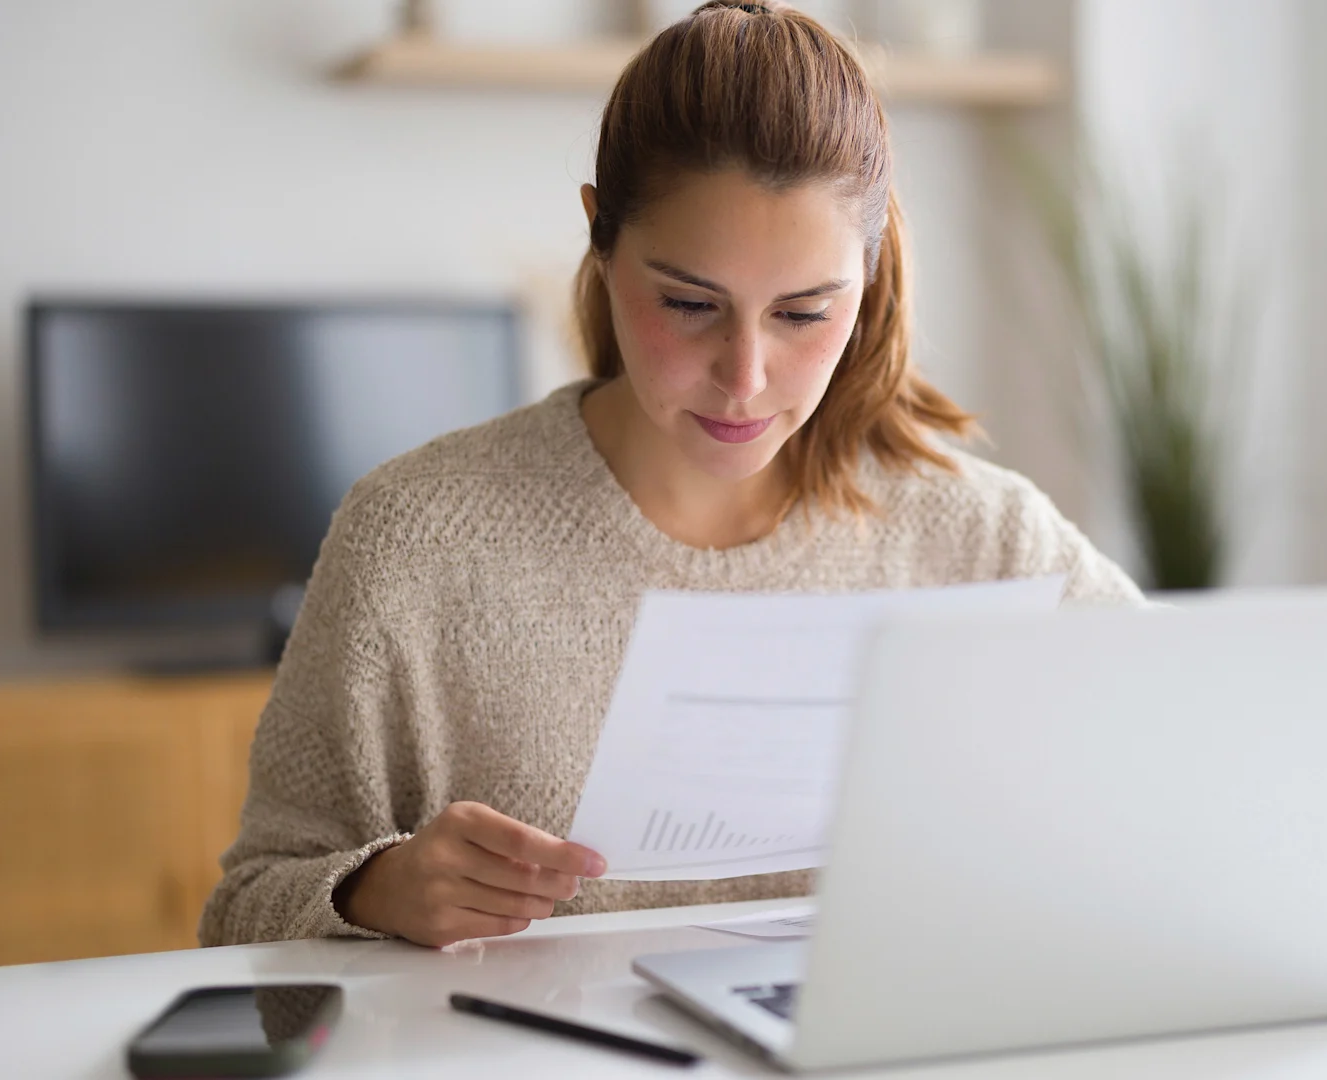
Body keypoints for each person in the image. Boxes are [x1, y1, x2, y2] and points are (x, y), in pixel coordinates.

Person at [198, 0, 1141, 951]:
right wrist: (372, 891)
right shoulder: (418, 539)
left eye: (805, 313)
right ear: (600, 241)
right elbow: (245, 910)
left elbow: (1198, 771)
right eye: (690, 303)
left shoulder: (986, 542)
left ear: (866, 276)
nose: (745, 376)